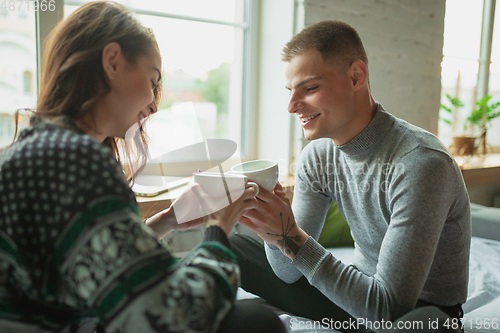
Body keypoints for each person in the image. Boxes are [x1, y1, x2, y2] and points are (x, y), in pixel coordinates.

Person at [0, 2, 285, 332]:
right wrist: (218, 229)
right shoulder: (74, 160)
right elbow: (173, 316)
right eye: (152, 80)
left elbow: (93, 265)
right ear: (112, 62)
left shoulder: (30, 152)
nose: (153, 105)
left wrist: (168, 221)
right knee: (257, 322)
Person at [230, 20, 470, 332]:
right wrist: (274, 230)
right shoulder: (317, 157)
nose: (291, 106)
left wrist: (290, 235)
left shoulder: (421, 163)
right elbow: (287, 273)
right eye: (290, 91)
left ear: (356, 76)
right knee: (235, 246)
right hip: (358, 295)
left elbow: (388, 308)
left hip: (415, 312)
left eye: (310, 88)